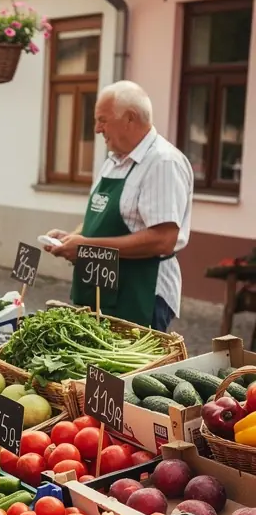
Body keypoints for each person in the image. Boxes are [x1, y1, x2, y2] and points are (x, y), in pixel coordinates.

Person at [43, 80, 193, 331]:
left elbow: (163, 239)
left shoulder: (163, 162)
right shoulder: (114, 160)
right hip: (99, 289)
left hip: (140, 293)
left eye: (102, 120)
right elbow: (102, 221)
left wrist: (86, 247)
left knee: (128, 370)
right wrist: (73, 237)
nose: (97, 129)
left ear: (130, 118)